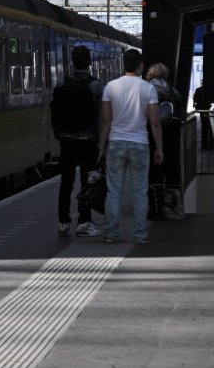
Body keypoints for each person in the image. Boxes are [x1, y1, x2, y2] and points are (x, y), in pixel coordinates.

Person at [98, 49, 163, 244]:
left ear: (123, 64)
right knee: (140, 191)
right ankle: (140, 235)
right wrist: (159, 147)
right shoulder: (148, 89)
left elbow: (106, 120)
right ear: (140, 65)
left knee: (114, 190)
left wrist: (102, 146)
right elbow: (155, 122)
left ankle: (111, 233)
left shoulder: (110, 87)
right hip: (140, 144)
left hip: (116, 143)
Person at [49, 45, 104, 237]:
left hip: (66, 139)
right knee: (87, 182)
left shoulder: (61, 85)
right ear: (89, 62)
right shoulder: (96, 86)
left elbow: (55, 112)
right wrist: (101, 141)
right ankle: (84, 222)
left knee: (66, 181)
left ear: (72, 61)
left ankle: (63, 221)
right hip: (88, 139)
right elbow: (100, 116)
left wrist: (58, 133)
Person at [144, 62, 182, 218]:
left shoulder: (147, 90)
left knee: (155, 173)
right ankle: (173, 208)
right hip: (172, 137)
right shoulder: (174, 92)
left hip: (153, 136)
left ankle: (155, 208)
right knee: (172, 172)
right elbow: (180, 115)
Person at [192, 81, 214, 150]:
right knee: (210, 127)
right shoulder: (210, 91)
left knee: (204, 127)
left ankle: (204, 145)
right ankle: (211, 145)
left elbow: (195, 99)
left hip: (202, 110)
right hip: (209, 110)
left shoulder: (198, 90)